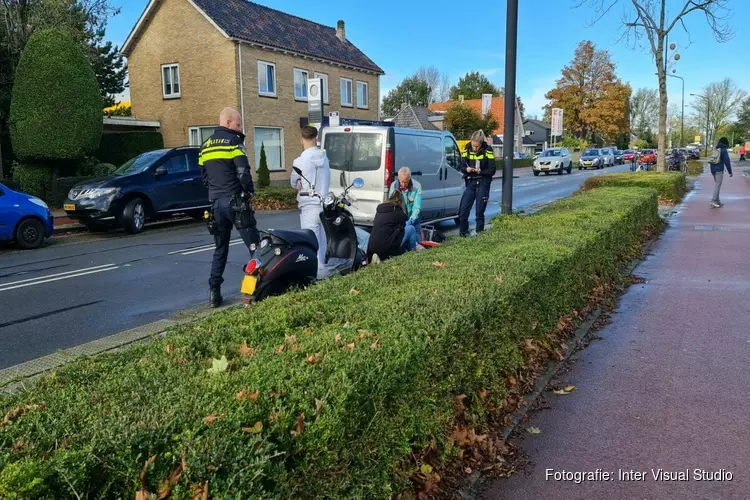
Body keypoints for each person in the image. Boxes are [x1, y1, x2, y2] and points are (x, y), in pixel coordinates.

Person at [200, 107, 259, 308]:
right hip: (236, 202)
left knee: (220, 249)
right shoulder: (234, 142)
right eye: (238, 124)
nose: (239, 128)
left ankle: (214, 294)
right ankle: (257, 289)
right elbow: (243, 172)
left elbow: (205, 178)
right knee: (255, 247)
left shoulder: (205, 146)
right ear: (228, 123)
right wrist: (249, 191)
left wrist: (216, 192)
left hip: (216, 205)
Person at [290, 125, 330, 273]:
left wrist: (299, 183)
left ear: (302, 141)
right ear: (316, 139)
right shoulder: (325, 159)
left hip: (308, 207)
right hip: (323, 205)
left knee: (311, 243)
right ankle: (324, 270)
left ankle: (317, 274)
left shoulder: (299, 161)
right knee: (323, 241)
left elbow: (293, 182)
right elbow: (327, 179)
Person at [458, 130, 496, 237]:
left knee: (479, 212)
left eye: (477, 146)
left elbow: (492, 170)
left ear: (481, 143)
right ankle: (463, 234)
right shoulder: (467, 148)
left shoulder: (487, 150)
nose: (474, 148)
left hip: (483, 182)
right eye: (473, 146)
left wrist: (481, 171)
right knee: (463, 210)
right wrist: (467, 169)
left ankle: (479, 234)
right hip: (471, 182)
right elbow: (461, 166)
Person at [367, 190, 417, 263]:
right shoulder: (399, 212)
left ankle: (378, 257)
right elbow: (403, 228)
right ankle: (413, 253)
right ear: (400, 202)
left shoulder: (379, 211)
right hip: (387, 246)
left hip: (372, 247)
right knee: (411, 229)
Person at [389, 167, 423, 248]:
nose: (404, 185)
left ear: (409, 178)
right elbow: (391, 204)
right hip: (399, 221)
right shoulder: (394, 186)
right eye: (402, 182)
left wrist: (411, 221)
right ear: (398, 179)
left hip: (413, 221)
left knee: (417, 242)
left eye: (406, 182)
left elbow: (417, 208)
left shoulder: (417, 186)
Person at [709, 136, 733, 209]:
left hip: (712, 168)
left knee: (717, 184)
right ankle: (713, 200)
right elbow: (727, 161)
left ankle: (717, 201)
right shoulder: (723, 149)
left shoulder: (716, 148)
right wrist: (730, 172)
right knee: (718, 185)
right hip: (719, 169)